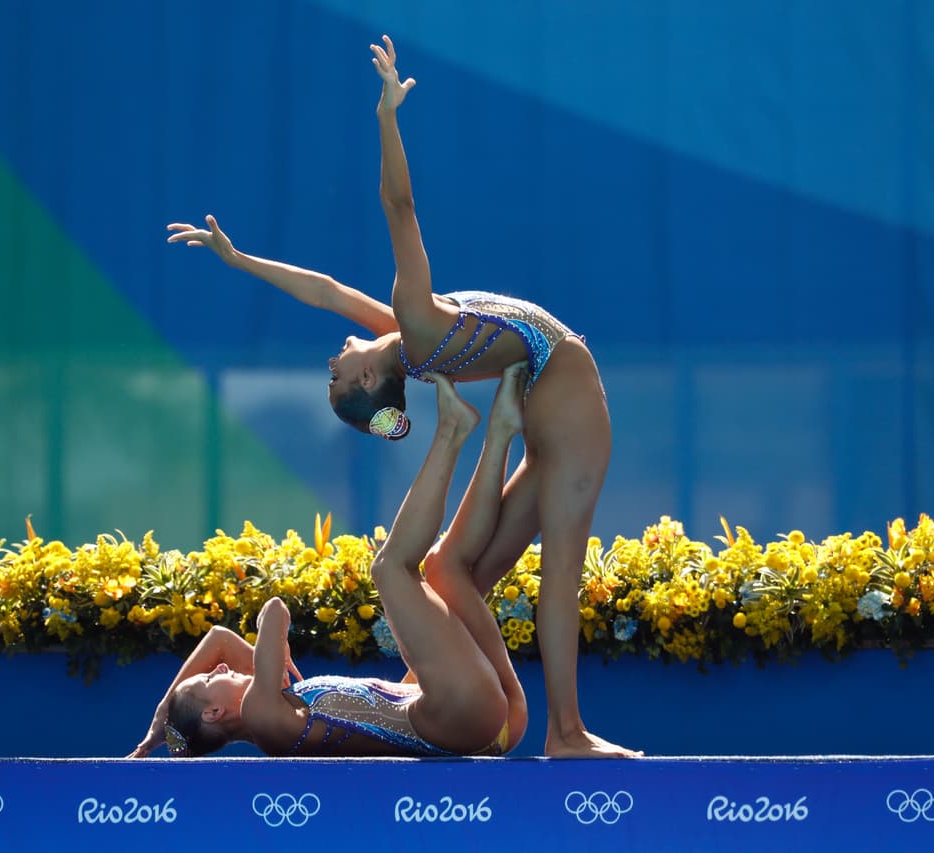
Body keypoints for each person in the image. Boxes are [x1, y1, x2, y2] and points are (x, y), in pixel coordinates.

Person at [166, 37, 637, 757]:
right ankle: (566, 732)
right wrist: (388, 116)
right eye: (335, 374)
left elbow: (324, 291)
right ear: (364, 381)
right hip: (568, 388)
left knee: (454, 570)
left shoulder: (405, 343)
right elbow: (399, 202)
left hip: (543, 394)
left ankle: (510, 713)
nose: (333, 357)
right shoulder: (414, 324)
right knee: (560, 567)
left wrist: (239, 259)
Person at [129, 367, 529, 758]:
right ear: (215, 713)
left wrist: (164, 716)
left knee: (446, 566)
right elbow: (274, 611)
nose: (218, 669)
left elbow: (218, 637)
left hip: (487, 723)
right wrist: (270, 650)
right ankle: (450, 432)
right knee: (389, 568)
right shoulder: (263, 716)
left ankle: (503, 434)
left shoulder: (273, 701)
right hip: (460, 713)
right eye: (209, 681)